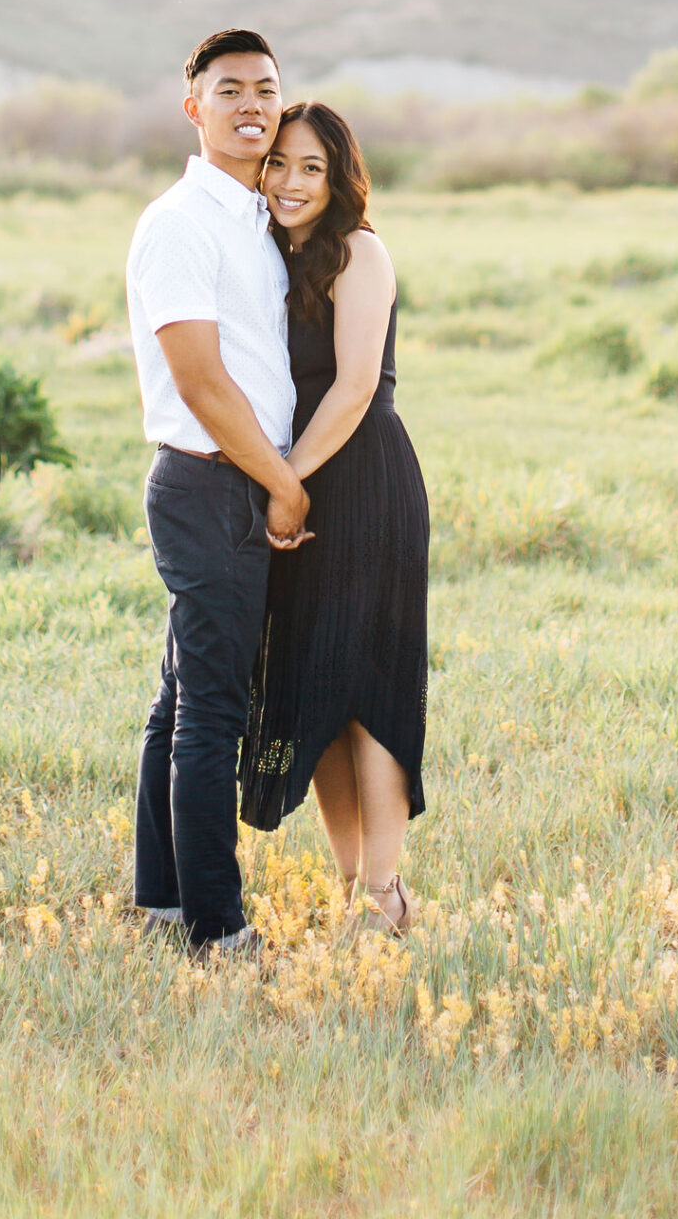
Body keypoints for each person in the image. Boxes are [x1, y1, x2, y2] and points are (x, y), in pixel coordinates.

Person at [126, 28, 310, 955]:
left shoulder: (253, 219)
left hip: (235, 479)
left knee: (179, 702)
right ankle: (215, 925)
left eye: (266, 90)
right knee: (211, 713)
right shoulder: (178, 222)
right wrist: (282, 485)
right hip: (211, 486)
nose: (251, 105)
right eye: (230, 89)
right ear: (192, 105)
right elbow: (198, 380)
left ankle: (159, 898)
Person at [239, 102, 429, 933]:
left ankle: (383, 891)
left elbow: (354, 386)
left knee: (369, 691)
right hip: (296, 479)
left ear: (339, 176)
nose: (289, 181)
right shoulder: (267, 253)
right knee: (314, 683)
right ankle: (353, 882)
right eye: (278, 163)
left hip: (359, 481)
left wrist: (284, 480)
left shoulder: (360, 251)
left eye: (310, 167)